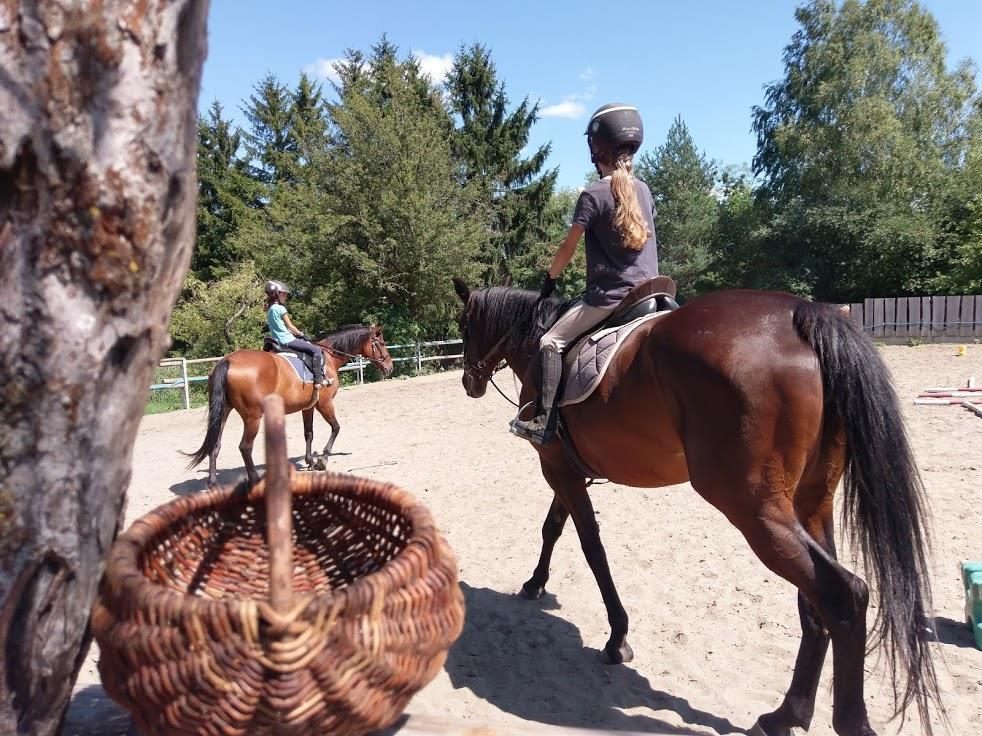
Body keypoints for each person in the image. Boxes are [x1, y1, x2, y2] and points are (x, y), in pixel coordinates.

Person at [509, 103, 659, 446]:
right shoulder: (645, 189)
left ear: (595, 149)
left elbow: (567, 250)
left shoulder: (592, 194)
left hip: (612, 298)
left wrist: (550, 278)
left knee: (550, 342)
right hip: (653, 291)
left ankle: (543, 423)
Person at [264, 280, 328, 386]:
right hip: (287, 340)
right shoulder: (280, 308)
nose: (286, 296)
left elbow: (280, 327)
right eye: (284, 294)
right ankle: (318, 380)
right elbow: (291, 327)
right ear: (277, 294)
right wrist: (301, 334)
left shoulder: (270, 309)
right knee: (316, 350)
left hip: (277, 341)